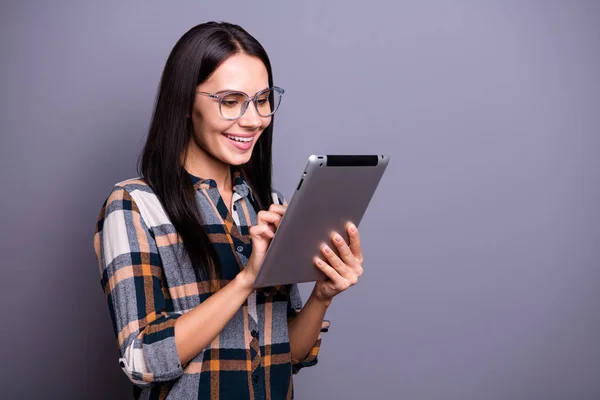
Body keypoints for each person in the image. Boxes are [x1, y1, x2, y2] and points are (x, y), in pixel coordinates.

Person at [93, 21, 364, 400]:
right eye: (230, 101)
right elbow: (142, 361)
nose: (253, 120)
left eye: (262, 99)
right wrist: (246, 279)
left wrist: (323, 293)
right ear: (186, 104)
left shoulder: (267, 203)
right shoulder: (135, 205)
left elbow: (290, 355)